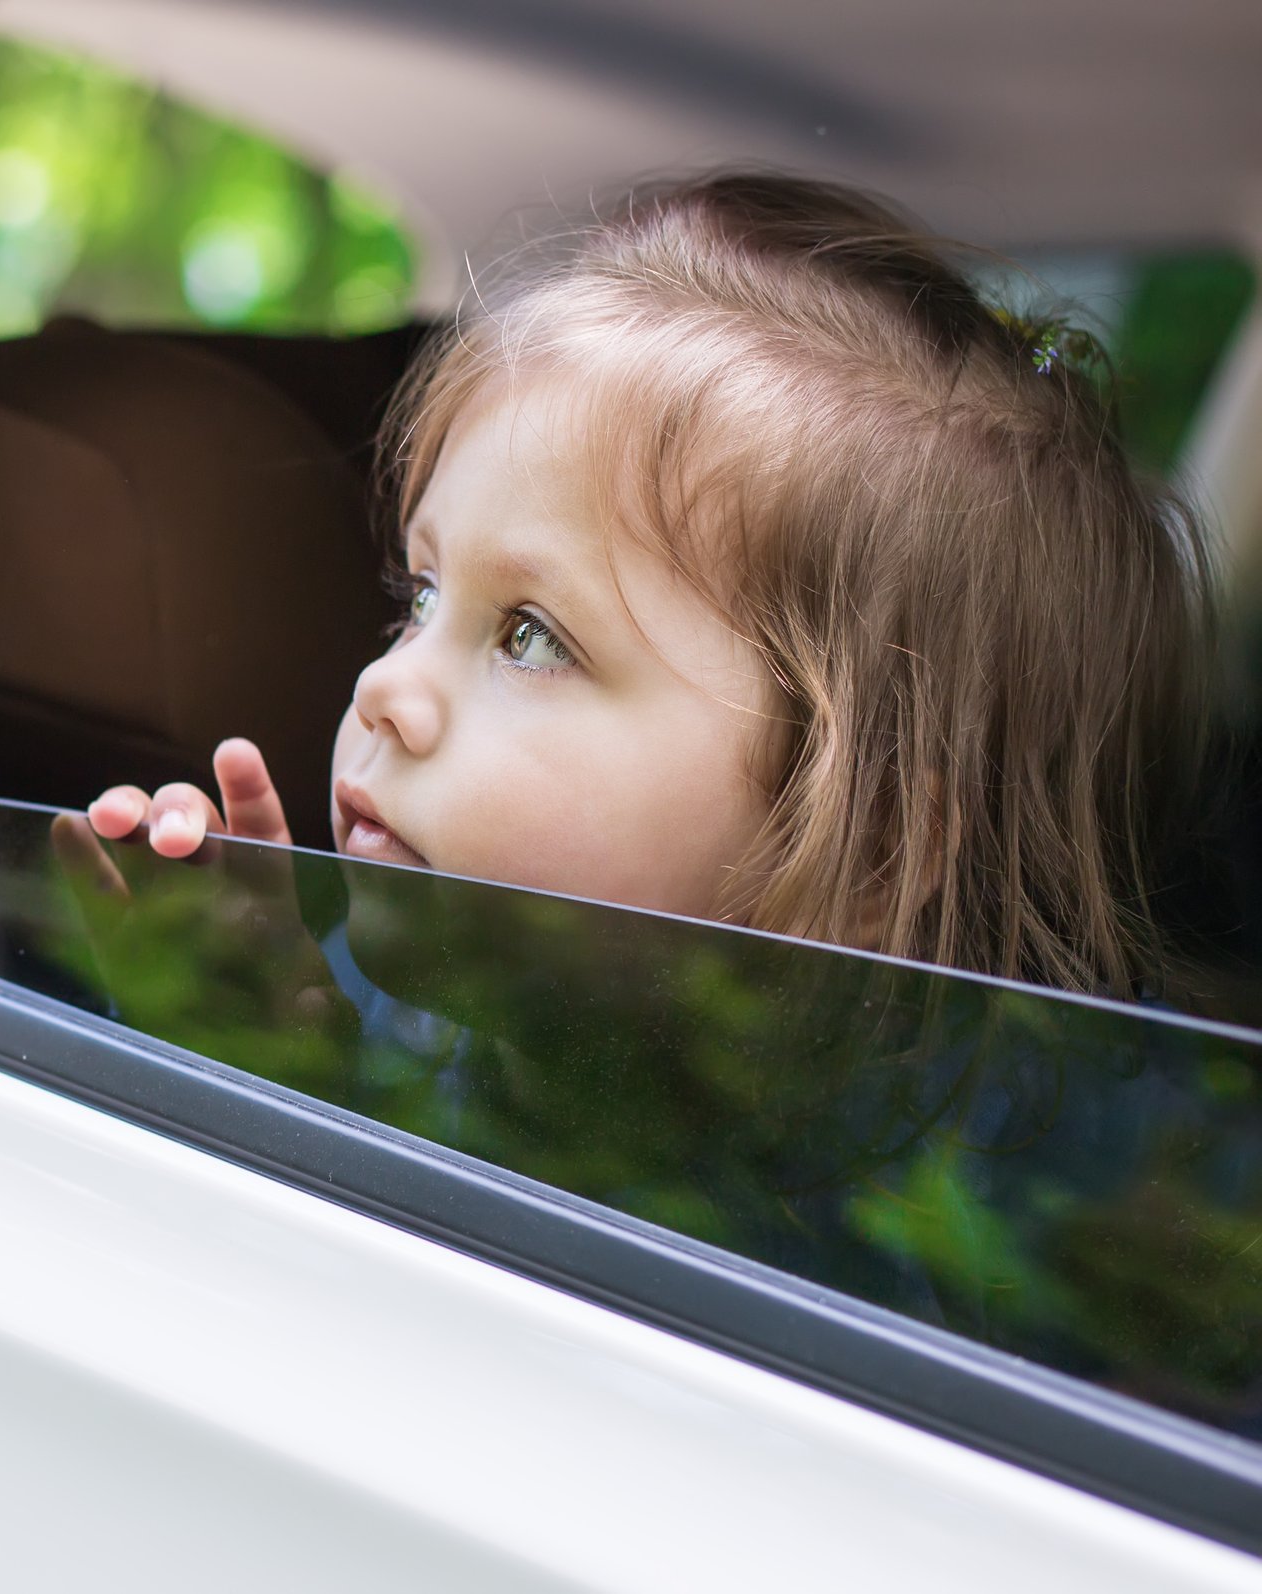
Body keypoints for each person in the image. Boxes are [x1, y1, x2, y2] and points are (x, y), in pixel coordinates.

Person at [77, 172, 1216, 998]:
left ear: (873, 848)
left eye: (530, 635)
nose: (384, 689)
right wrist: (276, 1028)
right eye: (418, 596)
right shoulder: (426, 1025)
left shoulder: (833, 1255)